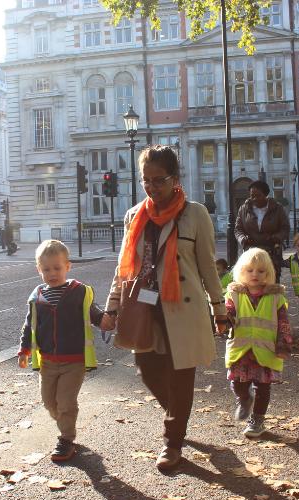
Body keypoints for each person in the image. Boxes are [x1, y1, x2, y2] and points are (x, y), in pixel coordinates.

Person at [101, 145, 227, 471]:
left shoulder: (195, 214)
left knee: (180, 375)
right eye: (146, 180)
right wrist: (112, 308)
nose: (153, 187)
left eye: (159, 180)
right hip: (143, 308)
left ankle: (172, 442)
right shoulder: (134, 215)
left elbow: (207, 267)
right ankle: (178, 414)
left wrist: (219, 309)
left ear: (175, 178)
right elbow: (123, 269)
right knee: (146, 369)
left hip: (182, 307)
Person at [17, 240, 104, 462]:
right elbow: (30, 325)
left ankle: (66, 438)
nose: (52, 273)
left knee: (65, 402)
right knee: (49, 402)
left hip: (74, 360)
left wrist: (105, 320)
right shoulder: (37, 296)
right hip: (47, 362)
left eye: (57, 268)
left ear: (68, 267)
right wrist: (24, 349)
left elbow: (93, 314)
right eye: (46, 269)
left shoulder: (79, 292)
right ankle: (65, 420)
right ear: (39, 269)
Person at [225, 248, 292, 438]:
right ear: (241, 271)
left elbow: (283, 323)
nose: (255, 274)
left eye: (261, 271)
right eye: (250, 270)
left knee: (263, 387)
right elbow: (227, 313)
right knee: (238, 383)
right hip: (241, 349)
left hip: (266, 350)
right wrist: (224, 319)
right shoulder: (234, 295)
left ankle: (257, 420)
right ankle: (244, 399)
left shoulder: (276, 297)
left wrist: (283, 344)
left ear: (268, 273)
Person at [235, 180, 290, 283]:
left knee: (270, 281)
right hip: (250, 251)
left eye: (258, 195)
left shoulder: (277, 208)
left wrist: (277, 237)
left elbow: (285, 228)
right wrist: (243, 239)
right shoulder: (244, 209)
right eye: (252, 195)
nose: (254, 199)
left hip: (271, 251)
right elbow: (238, 229)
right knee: (251, 280)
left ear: (265, 195)